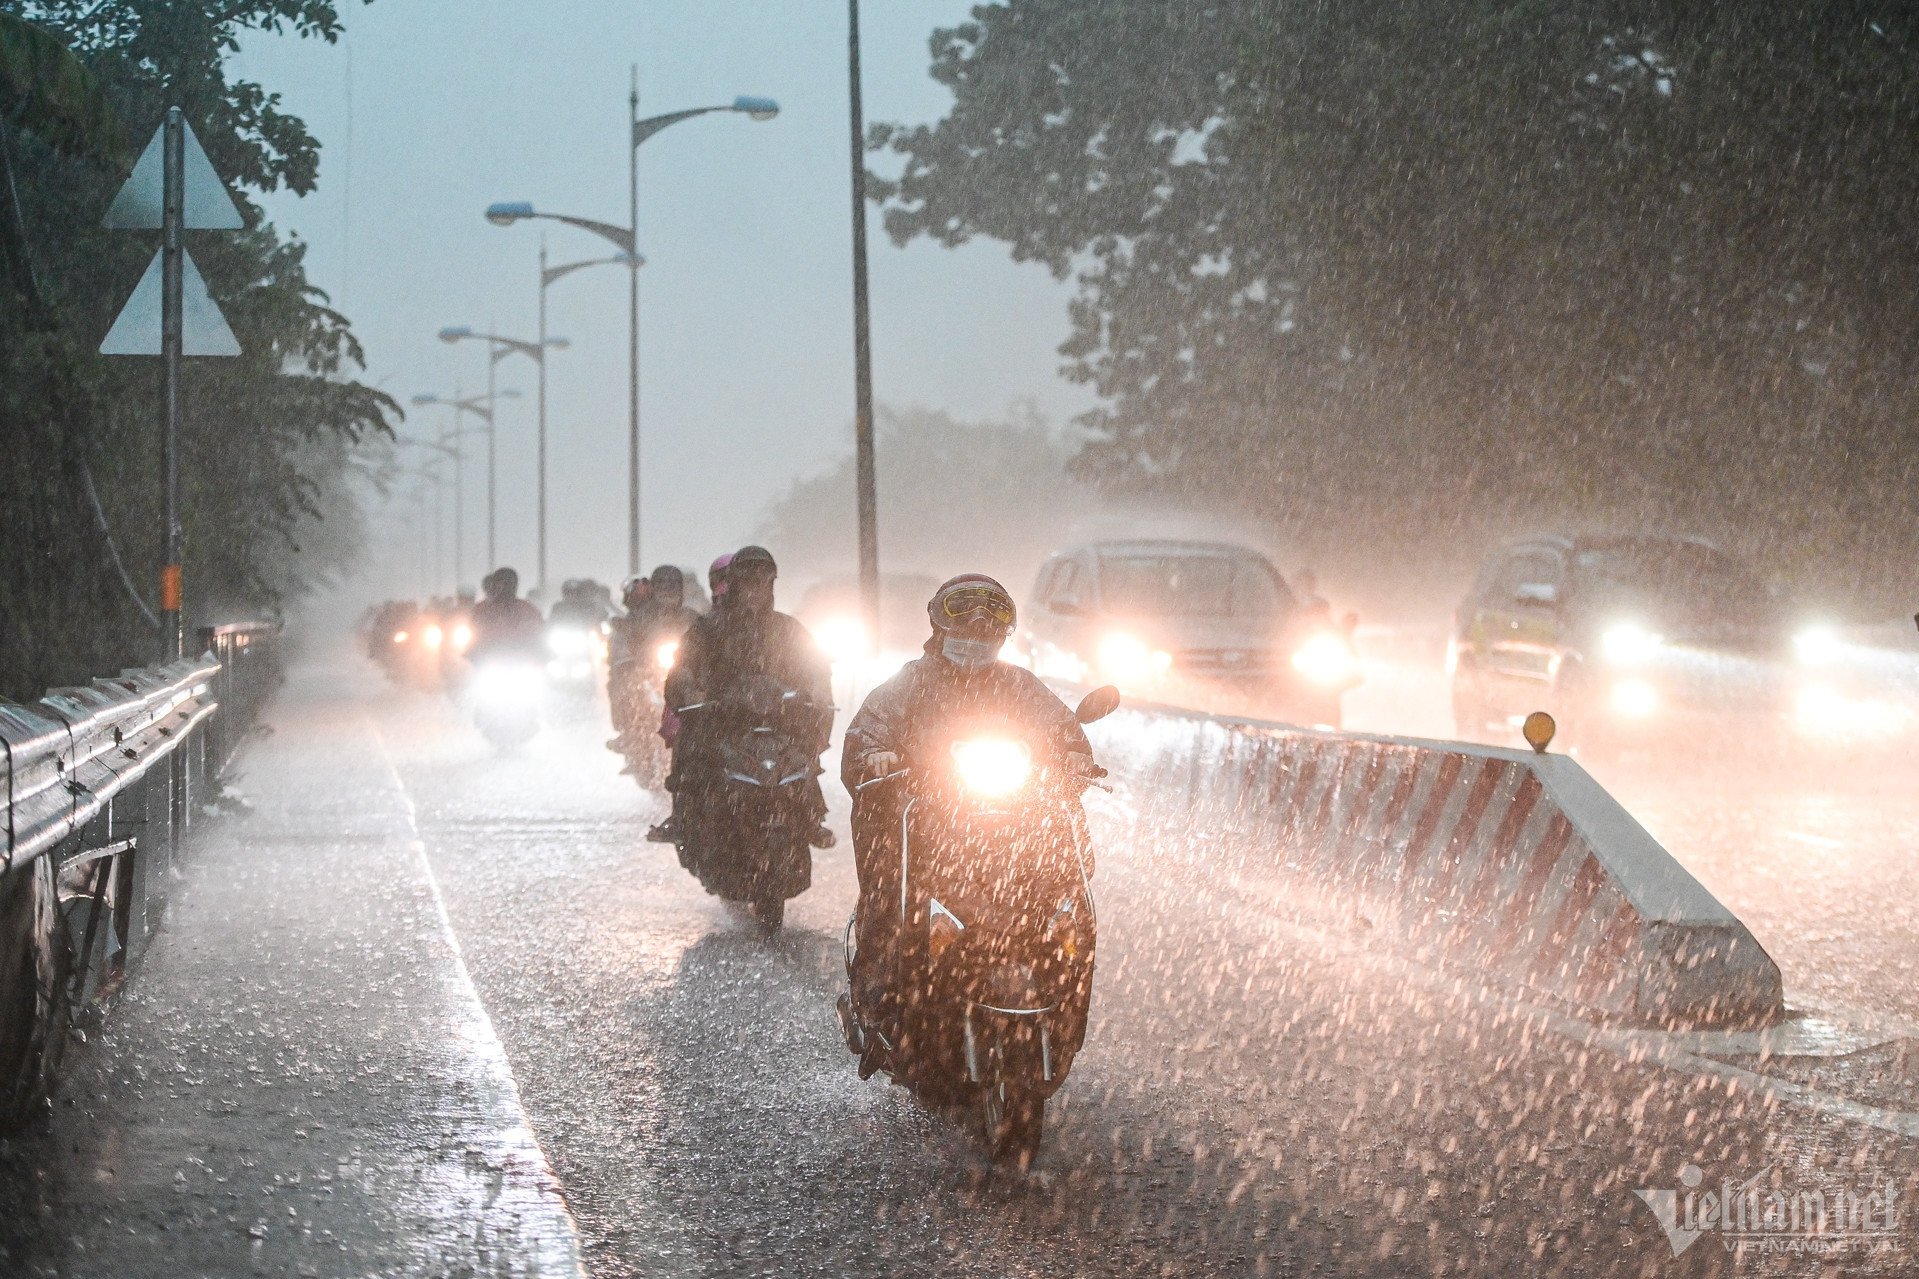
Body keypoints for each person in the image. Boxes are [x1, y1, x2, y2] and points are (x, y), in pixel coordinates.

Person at [838, 574, 1095, 1052]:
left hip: (1011, 822)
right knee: (891, 892)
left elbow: (1063, 729)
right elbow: (866, 732)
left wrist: (1075, 755)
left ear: (1007, 626)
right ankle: (876, 1004)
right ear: (939, 619)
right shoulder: (910, 681)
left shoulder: (1020, 684)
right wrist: (875, 754)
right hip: (929, 821)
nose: (978, 622)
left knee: (1065, 898)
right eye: (965, 609)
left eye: (992, 611)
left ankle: (1062, 1000)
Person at [652, 546, 833, 846]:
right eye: (748, 580)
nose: (755, 588)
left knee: (802, 759)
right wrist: (691, 693)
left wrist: (814, 692)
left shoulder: (789, 629)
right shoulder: (708, 629)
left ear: (772, 584)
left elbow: (816, 669)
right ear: (734, 583)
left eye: (763, 580)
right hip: (722, 722)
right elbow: (681, 670)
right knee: (691, 748)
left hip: (780, 721)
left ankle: (810, 815)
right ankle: (682, 818)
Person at [606, 566, 700, 762]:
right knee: (625, 686)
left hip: (683, 673)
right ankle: (628, 732)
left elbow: (705, 640)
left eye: (673, 586)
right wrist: (630, 653)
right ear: (654, 589)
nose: (668, 591)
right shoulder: (640, 616)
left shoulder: (691, 617)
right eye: (662, 586)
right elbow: (627, 638)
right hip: (647, 670)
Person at [468, 567, 546, 663]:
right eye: (501, 583)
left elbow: (540, 633)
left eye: (509, 583)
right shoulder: (482, 610)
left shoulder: (528, 609)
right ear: (494, 585)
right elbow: (472, 635)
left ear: (515, 585)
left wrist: (543, 652)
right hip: (490, 660)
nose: (505, 587)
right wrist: (472, 652)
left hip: (521, 661)